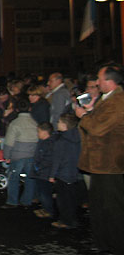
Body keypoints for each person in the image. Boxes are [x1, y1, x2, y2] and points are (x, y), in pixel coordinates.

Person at [75, 65, 124, 255]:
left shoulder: (118, 101)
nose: (96, 82)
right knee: (99, 206)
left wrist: (84, 115)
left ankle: (117, 244)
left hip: (110, 163)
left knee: (113, 207)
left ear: (109, 81)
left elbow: (98, 128)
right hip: (100, 163)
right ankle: (103, 242)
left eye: (99, 79)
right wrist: (91, 109)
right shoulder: (108, 98)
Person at [2, 97, 38, 209]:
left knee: (13, 178)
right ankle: (27, 200)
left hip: (17, 155)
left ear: (17, 109)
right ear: (30, 108)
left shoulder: (15, 123)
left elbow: (9, 142)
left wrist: (7, 156)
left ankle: (12, 201)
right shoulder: (34, 123)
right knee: (30, 178)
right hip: (31, 154)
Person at [49, 113, 82, 229]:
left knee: (63, 199)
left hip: (63, 173)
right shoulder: (78, 137)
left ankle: (65, 221)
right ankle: (72, 219)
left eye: (59, 122)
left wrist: (52, 175)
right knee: (71, 197)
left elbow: (57, 159)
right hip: (74, 171)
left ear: (64, 125)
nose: (57, 124)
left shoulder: (61, 141)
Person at [30, 122, 56, 219]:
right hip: (41, 172)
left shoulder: (49, 144)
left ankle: (48, 210)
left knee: (45, 193)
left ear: (45, 132)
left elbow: (48, 159)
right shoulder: (44, 142)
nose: (37, 134)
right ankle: (45, 208)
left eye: (39, 131)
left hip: (44, 172)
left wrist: (38, 166)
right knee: (42, 192)